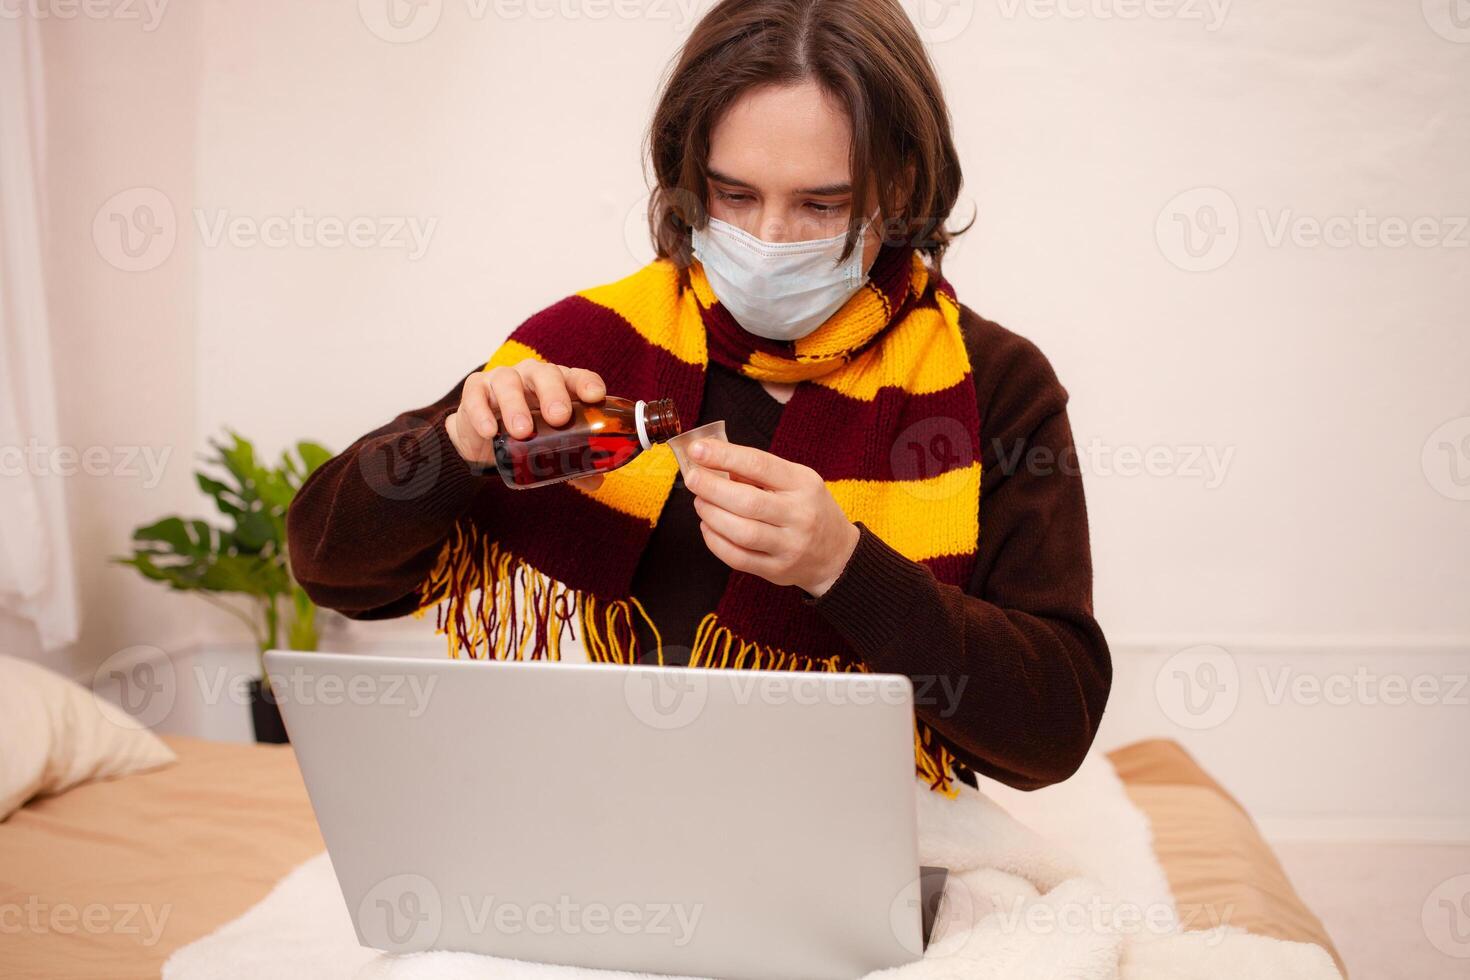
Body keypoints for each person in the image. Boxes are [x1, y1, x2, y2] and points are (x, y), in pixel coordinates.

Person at [287, 0, 1110, 796]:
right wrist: (457, 447)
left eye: (822, 204)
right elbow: (331, 568)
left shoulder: (993, 384)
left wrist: (843, 566)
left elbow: (1051, 733)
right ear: (687, 179)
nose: (771, 239)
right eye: (734, 196)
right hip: (605, 812)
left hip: (868, 836)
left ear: (899, 185)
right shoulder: (599, 346)